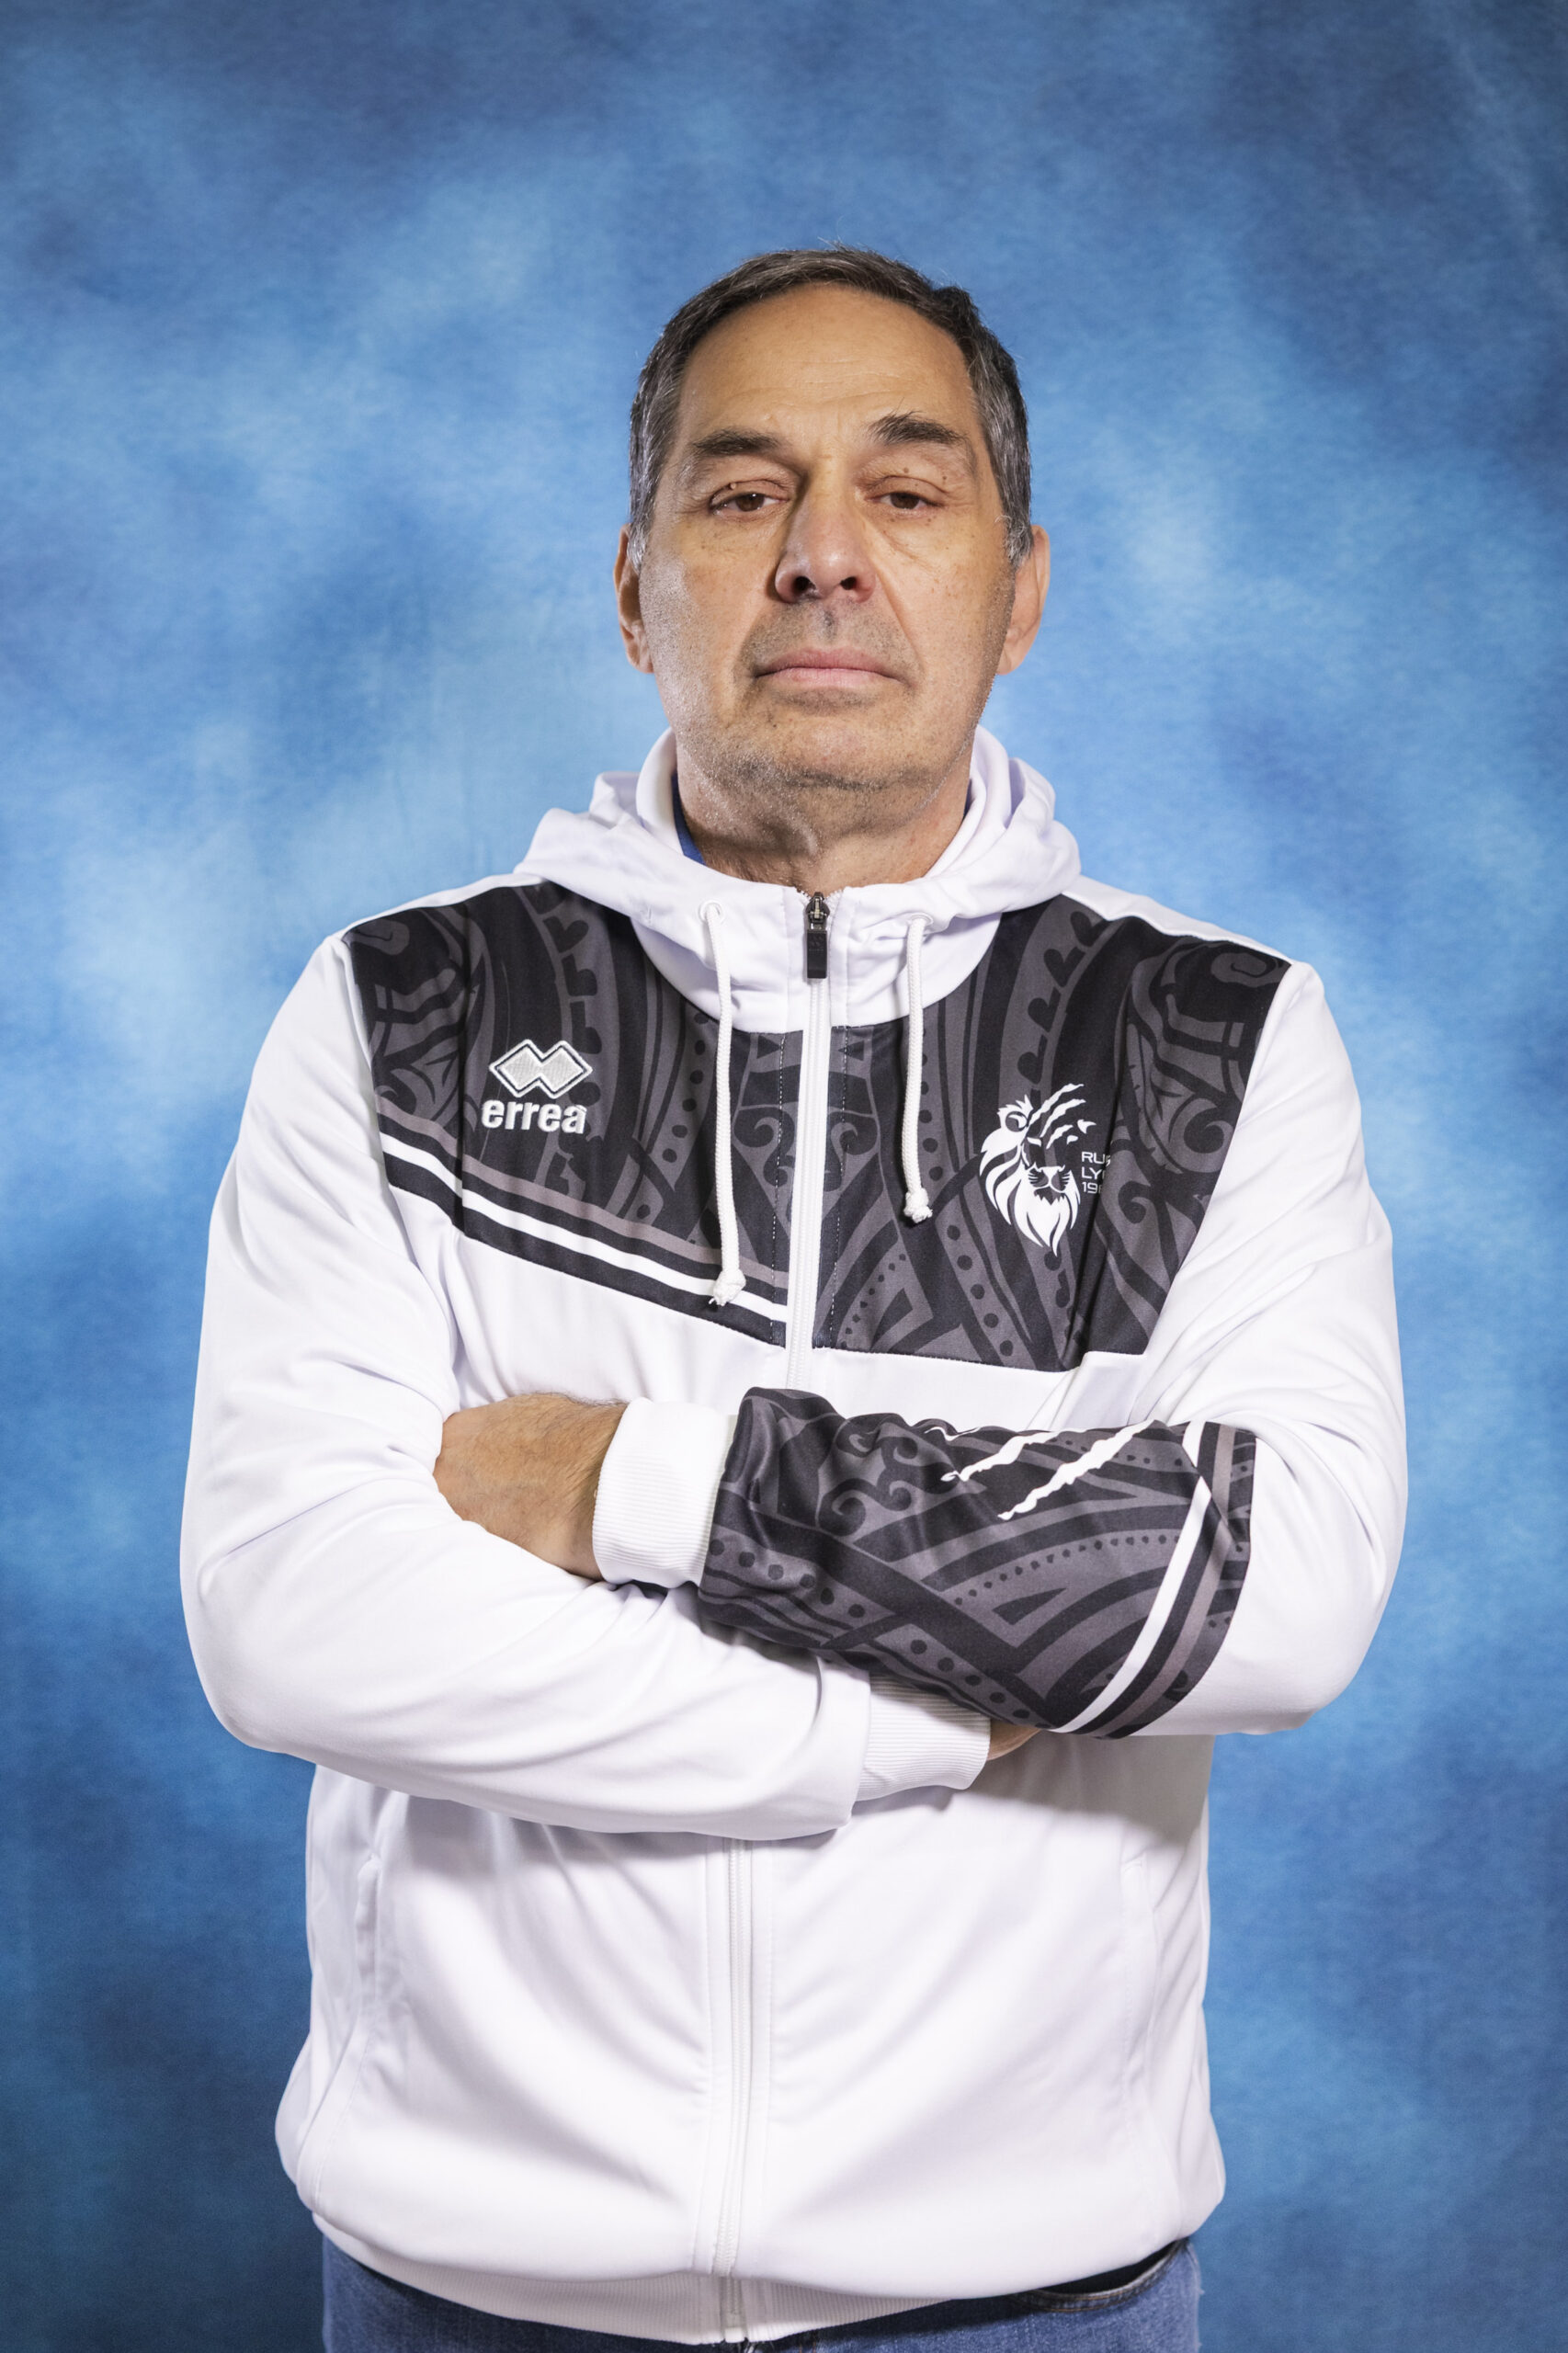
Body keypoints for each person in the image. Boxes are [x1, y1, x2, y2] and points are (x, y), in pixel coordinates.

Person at [182, 247, 1404, 2353]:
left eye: (905, 493)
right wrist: (897, 1724)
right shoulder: (407, 1008)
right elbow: (295, 1602)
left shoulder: (1208, 1036)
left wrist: (625, 1482)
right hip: (474, 2285)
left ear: (1018, 589)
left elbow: (1266, 1583)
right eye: (742, 492)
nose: (824, 554)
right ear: (632, 584)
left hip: (1024, 2294)